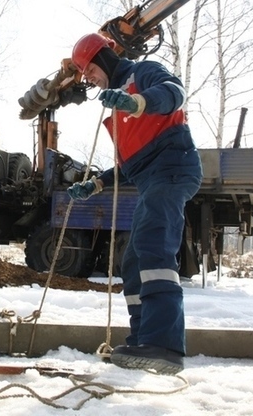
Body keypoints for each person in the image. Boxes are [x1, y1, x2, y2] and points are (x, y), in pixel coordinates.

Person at [67, 33, 203, 375]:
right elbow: (131, 166)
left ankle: (165, 344)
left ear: (100, 60)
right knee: (132, 261)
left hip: (173, 168)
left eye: (90, 73)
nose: (91, 81)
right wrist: (95, 184)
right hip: (151, 178)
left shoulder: (142, 74)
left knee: (153, 244)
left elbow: (175, 94)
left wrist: (137, 103)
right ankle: (144, 338)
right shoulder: (116, 105)